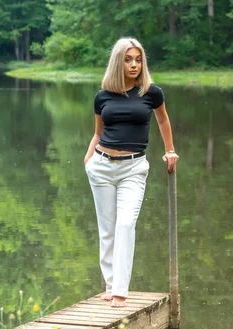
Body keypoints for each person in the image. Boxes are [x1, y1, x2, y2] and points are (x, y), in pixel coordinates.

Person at [83, 37, 179, 307]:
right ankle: (111, 285)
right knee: (107, 228)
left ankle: (120, 291)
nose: (134, 64)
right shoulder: (102, 96)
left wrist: (170, 150)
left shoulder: (151, 92)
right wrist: (89, 159)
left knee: (125, 223)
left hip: (134, 168)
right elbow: (98, 133)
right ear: (118, 62)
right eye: (128, 59)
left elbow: (162, 119)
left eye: (138, 59)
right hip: (101, 166)